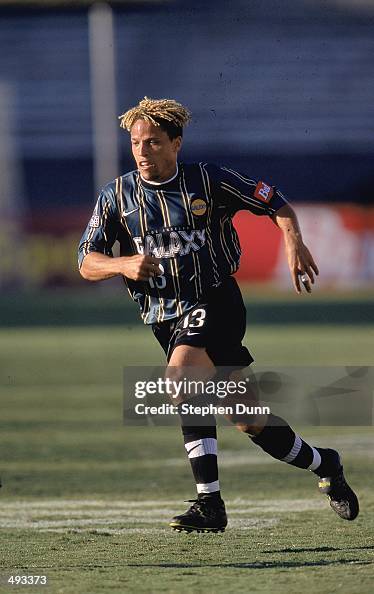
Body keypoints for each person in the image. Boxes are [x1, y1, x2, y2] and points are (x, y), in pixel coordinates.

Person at [78, 97, 359, 533]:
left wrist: (293, 241)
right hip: (165, 319)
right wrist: (122, 264)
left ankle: (210, 504)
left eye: (153, 142)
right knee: (248, 419)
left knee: (179, 378)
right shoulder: (116, 196)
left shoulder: (208, 181)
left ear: (176, 143)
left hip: (216, 299)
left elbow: (274, 202)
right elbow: (86, 261)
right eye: (136, 143)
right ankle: (327, 463)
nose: (142, 151)